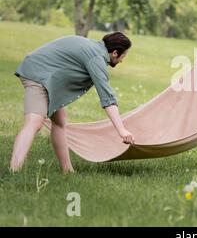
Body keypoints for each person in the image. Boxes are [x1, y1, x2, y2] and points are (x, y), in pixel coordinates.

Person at [10, 32, 135, 173]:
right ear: (115, 53)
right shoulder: (96, 58)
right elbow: (107, 98)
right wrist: (121, 130)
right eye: (123, 57)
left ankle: (67, 170)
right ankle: (14, 169)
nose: (122, 61)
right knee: (34, 122)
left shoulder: (93, 48)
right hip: (37, 75)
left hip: (44, 75)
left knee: (60, 121)